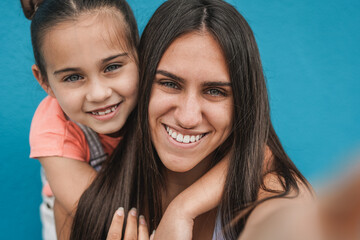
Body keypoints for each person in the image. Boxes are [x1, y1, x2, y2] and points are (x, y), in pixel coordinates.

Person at [71, 0, 313, 239]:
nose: (187, 117)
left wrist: (182, 209)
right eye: (169, 84)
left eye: (215, 91)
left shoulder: (275, 198)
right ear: (141, 83)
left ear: (243, 102)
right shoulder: (91, 195)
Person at [21, 0, 139, 238]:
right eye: (73, 77)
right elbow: (100, 215)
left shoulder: (162, 102)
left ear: (141, 55)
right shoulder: (53, 128)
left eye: (112, 66)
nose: (99, 94)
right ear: (44, 82)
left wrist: (185, 206)